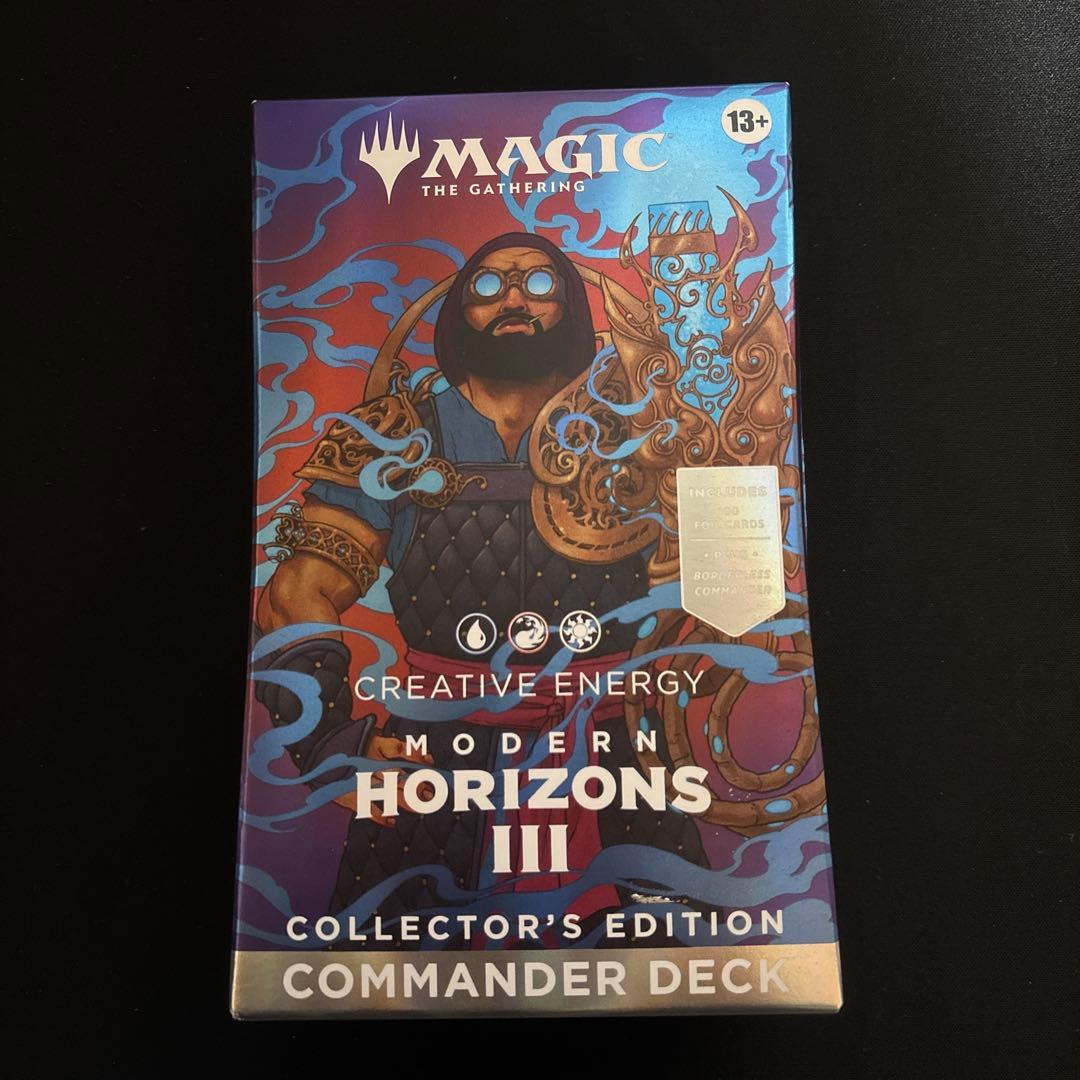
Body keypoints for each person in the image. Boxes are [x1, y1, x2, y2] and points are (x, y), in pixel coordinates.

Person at [254, 232, 705, 941]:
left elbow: (724, 585)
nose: (514, 300)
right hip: (436, 762)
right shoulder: (392, 437)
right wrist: (332, 747)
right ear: (459, 312)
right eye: (489, 287)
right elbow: (293, 596)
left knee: (675, 980)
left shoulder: (642, 436)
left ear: (571, 305)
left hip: (618, 758)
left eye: (538, 283)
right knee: (399, 983)